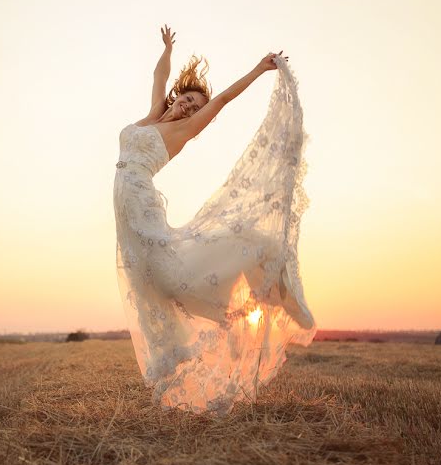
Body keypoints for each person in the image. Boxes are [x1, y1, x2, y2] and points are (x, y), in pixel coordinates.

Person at [112, 25, 317, 416]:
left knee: (170, 277)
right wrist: (168, 50)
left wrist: (260, 69)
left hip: (141, 202)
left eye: (195, 105)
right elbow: (159, 77)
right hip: (126, 209)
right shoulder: (153, 116)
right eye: (187, 99)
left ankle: (268, 269)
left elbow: (221, 99)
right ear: (177, 96)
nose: (190, 107)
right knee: (150, 281)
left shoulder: (185, 130)